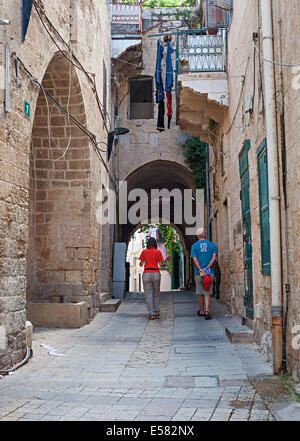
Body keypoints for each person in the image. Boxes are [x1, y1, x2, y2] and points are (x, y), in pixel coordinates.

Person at [191, 228, 218, 320]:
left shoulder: (194, 246)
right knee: (207, 292)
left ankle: (202, 311)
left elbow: (195, 259)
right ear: (205, 235)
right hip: (209, 272)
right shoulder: (212, 245)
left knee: (199, 292)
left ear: (198, 236)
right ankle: (207, 310)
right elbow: (214, 258)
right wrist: (207, 268)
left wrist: (201, 270)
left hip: (198, 273)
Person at [139, 237, 167, 320]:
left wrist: (143, 261)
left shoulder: (144, 251)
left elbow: (141, 264)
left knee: (148, 294)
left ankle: (151, 314)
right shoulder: (158, 252)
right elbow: (161, 265)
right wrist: (166, 261)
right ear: (155, 244)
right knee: (156, 293)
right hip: (156, 273)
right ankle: (157, 311)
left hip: (147, 273)